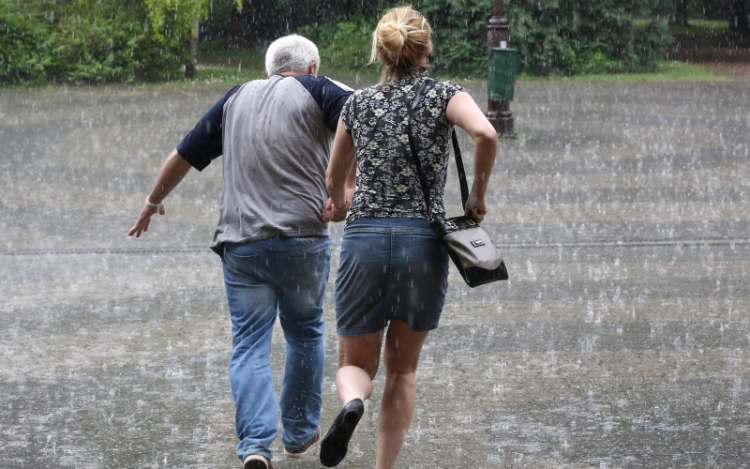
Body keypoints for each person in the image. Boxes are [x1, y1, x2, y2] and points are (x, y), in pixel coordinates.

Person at [128, 35, 353, 469]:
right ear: (312, 68)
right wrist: (346, 189)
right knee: (304, 332)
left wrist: (153, 202)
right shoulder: (320, 88)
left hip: (242, 243)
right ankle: (301, 431)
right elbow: (365, 117)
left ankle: (255, 444)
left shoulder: (234, 98)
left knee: (249, 345)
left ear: (268, 69)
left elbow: (184, 154)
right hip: (303, 238)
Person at [318, 6, 498, 469]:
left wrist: (340, 205)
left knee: (355, 365)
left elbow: (334, 179)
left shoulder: (357, 104)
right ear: (426, 49)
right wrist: (476, 196)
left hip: (366, 241)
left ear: (380, 50)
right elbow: (486, 133)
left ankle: (353, 403)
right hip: (424, 243)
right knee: (402, 370)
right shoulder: (445, 95)